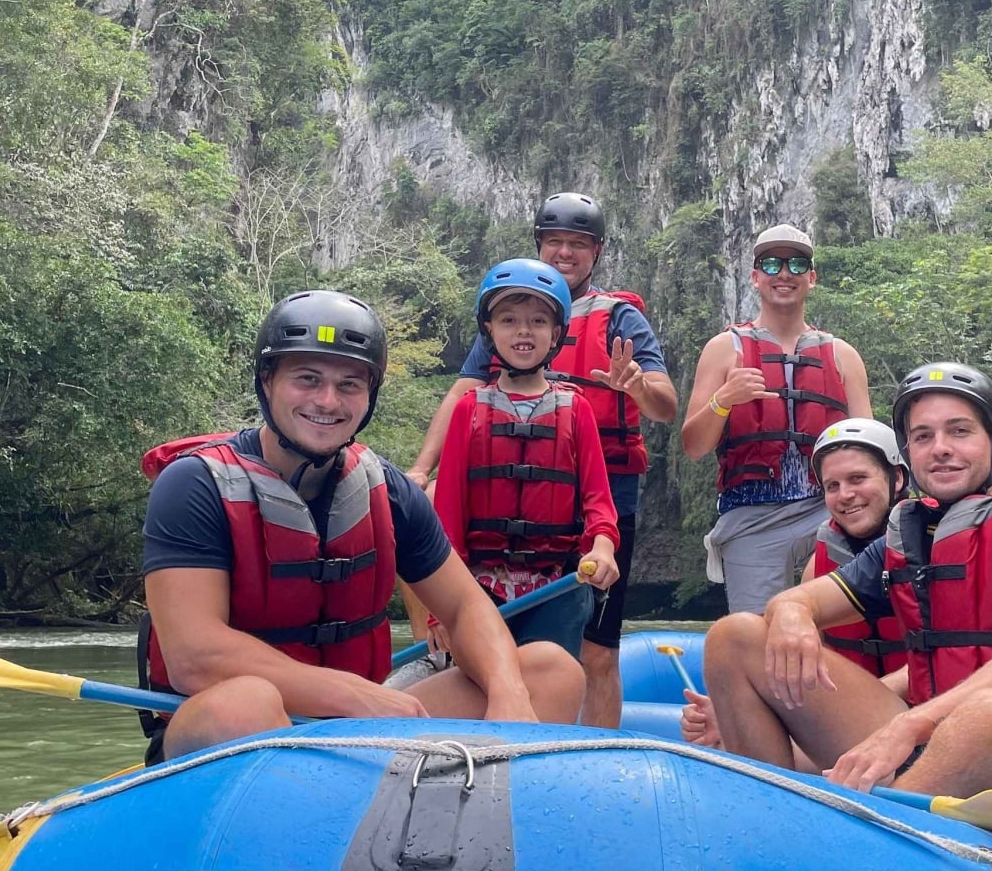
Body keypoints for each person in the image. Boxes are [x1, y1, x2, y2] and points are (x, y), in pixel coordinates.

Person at [137, 290, 585, 764]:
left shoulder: (387, 490)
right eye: (307, 379)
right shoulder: (195, 485)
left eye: (349, 385)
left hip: (354, 732)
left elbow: (463, 607)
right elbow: (194, 654)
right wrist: (352, 694)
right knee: (246, 702)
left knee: (550, 670)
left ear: (368, 396)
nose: (328, 401)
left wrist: (508, 692)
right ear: (267, 382)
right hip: (223, 728)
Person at [703, 362, 992, 804]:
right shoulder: (908, 539)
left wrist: (906, 726)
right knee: (735, 636)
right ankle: (777, 814)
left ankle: (872, 837)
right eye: (923, 437)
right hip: (933, 742)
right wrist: (792, 611)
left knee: (990, 715)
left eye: (959, 431)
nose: (940, 448)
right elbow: (802, 598)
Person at [407, 193, 678, 727]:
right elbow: (460, 395)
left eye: (578, 244)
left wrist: (635, 385)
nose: (565, 252)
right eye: (555, 240)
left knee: (596, 654)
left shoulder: (618, 320)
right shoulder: (508, 318)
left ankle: (591, 756)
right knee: (425, 503)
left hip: (590, 504)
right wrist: (421, 468)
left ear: (595, 253)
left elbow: (664, 405)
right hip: (499, 532)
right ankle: (438, 656)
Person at [429, 259, 620, 659]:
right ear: (489, 330)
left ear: (555, 334)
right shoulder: (470, 409)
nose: (523, 331)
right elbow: (447, 514)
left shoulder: (575, 409)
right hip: (477, 588)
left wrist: (602, 547)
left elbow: (599, 503)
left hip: (556, 585)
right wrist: (440, 610)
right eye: (509, 319)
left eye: (537, 321)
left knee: (550, 675)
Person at [679, 417, 909, 749]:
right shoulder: (822, 565)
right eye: (832, 486)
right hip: (864, 718)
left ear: (897, 477)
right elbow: (807, 661)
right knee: (726, 725)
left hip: (926, 715)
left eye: (858, 479)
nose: (845, 495)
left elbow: (945, 660)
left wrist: (861, 699)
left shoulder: (929, 546)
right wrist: (739, 711)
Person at [680, 223, 871, 615]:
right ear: (754, 277)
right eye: (771, 264)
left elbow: (870, 450)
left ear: (811, 278)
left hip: (828, 509)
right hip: (751, 516)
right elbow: (694, 446)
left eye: (797, 265)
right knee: (756, 639)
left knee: (836, 633)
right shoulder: (723, 350)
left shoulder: (842, 355)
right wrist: (724, 400)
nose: (784, 273)